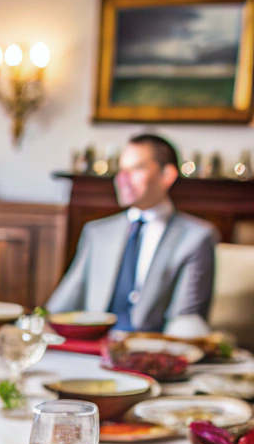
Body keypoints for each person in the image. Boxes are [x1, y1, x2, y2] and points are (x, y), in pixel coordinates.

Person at [46, 133, 218, 337]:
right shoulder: (97, 233)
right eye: (121, 170)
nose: (122, 179)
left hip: (152, 352)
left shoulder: (196, 238)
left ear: (167, 175)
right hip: (92, 349)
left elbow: (186, 318)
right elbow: (61, 305)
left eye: (136, 168)